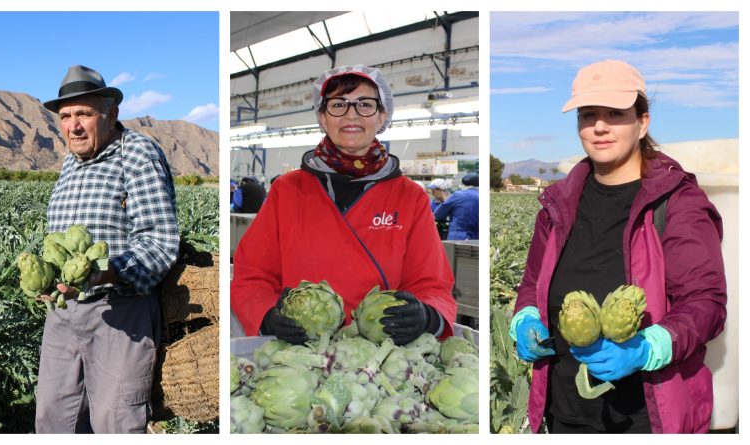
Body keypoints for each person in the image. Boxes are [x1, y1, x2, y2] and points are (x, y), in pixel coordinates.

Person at [509, 60, 726, 433]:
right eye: (588, 114)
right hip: (563, 410)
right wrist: (524, 317)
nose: (599, 126)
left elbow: (706, 302)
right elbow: (532, 284)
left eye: (615, 113)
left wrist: (648, 347)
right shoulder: (557, 205)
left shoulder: (678, 203)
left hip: (647, 416)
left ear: (643, 122)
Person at [231, 64, 457, 346]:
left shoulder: (410, 196)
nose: (352, 114)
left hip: (380, 357)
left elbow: (432, 282)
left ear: (382, 116)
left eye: (365, 104)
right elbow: (252, 274)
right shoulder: (286, 191)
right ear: (323, 118)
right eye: (338, 105)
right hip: (298, 353)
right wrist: (266, 315)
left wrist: (427, 315)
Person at [35, 65, 180, 433]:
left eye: (83, 113)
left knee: (115, 421)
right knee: (54, 417)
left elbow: (159, 241)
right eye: (65, 117)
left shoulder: (137, 154)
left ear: (110, 113)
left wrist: (105, 271)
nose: (73, 126)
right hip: (63, 313)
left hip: (121, 309)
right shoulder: (70, 162)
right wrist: (47, 280)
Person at [433, 173, 478, 240]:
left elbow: (438, 214)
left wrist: (445, 200)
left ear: (463, 184)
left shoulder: (457, 195)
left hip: (458, 238)